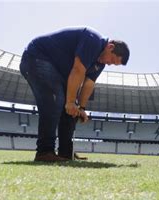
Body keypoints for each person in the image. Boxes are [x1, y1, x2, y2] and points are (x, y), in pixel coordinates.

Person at [20, 27, 129, 162]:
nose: (109, 64)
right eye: (112, 60)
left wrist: (81, 108)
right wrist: (70, 101)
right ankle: (45, 151)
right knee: (56, 100)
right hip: (37, 57)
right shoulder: (93, 40)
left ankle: (66, 153)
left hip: (58, 71)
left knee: (72, 111)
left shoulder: (100, 64)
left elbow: (89, 84)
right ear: (110, 46)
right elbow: (78, 70)